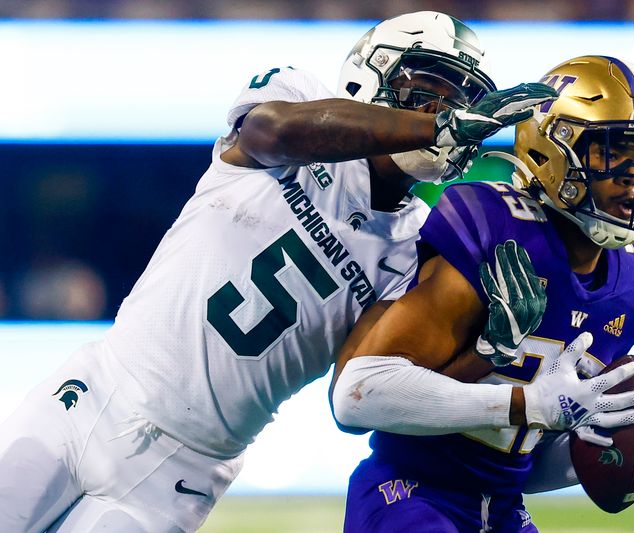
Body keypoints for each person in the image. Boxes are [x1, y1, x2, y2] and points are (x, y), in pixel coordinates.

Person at [0, 12, 559, 532]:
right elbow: (269, 133)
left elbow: (361, 394)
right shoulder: (297, 98)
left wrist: (487, 353)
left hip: (185, 469)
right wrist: (429, 126)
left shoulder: (419, 249)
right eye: (426, 89)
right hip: (92, 397)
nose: (443, 111)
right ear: (371, 75)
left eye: (458, 100)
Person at [332, 55, 634, 532]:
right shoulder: (499, 232)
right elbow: (357, 397)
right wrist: (526, 404)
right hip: (408, 493)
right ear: (554, 150)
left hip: (503, 507)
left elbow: (520, 458)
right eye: (615, 152)